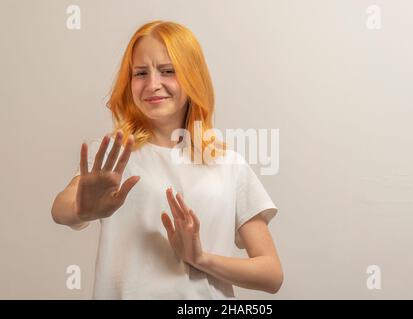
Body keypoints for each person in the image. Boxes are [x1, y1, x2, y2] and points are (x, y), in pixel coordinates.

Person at [51, 20, 283, 299]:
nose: (153, 84)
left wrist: (200, 258)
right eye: (140, 73)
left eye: (167, 71)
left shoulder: (228, 164)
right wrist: (82, 209)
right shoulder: (114, 155)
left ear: (192, 77)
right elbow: (60, 209)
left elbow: (271, 275)